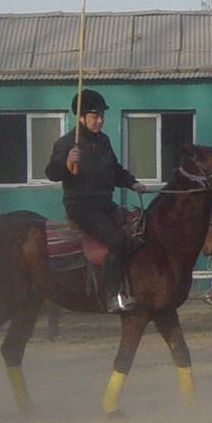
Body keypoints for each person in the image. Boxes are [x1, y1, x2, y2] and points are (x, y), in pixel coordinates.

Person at [45, 89, 146, 314]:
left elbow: (115, 169)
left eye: (101, 116)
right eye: (94, 116)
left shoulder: (104, 141)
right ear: (81, 117)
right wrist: (66, 162)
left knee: (139, 229)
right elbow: (51, 172)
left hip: (103, 204)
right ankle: (113, 296)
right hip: (81, 207)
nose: (99, 120)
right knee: (117, 241)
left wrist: (132, 183)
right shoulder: (67, 143)